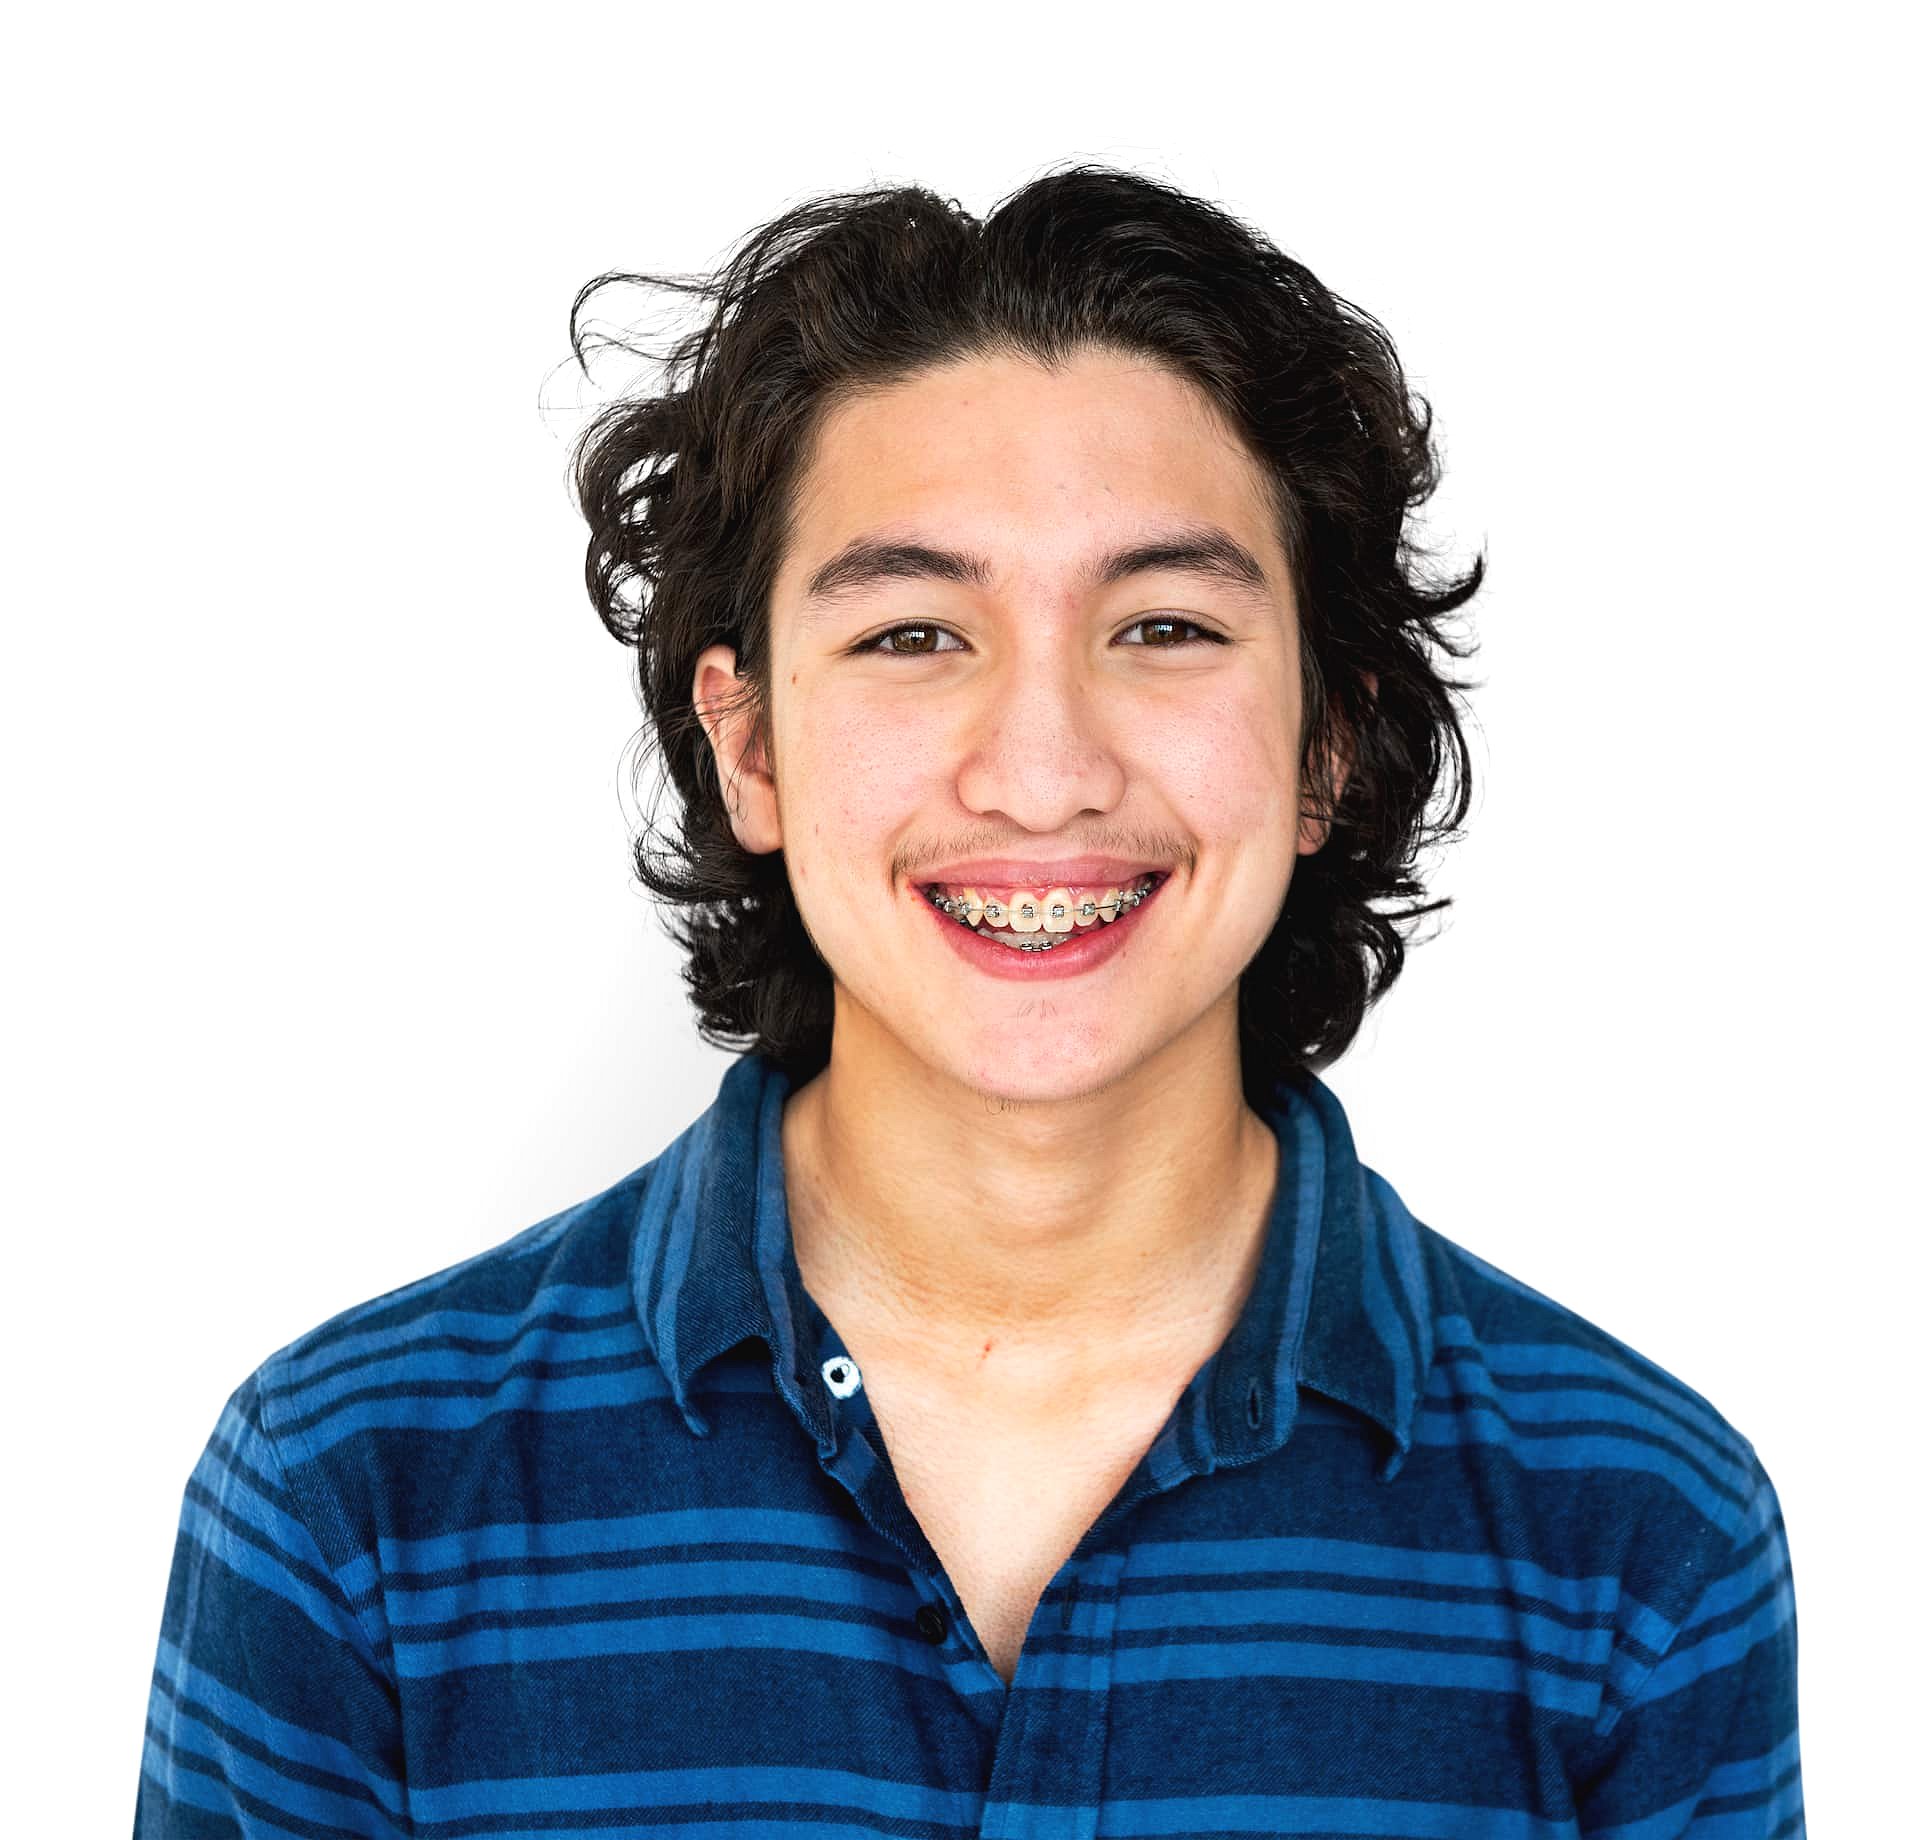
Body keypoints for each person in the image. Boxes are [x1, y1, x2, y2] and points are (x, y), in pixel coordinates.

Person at [135, 167, 1803, 1835]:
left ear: (1328, 744)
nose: (1042, 769)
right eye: (916, 635)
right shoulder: (350, 1501)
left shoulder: (1641, 1539)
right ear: (749, 744)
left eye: (1165, 624)